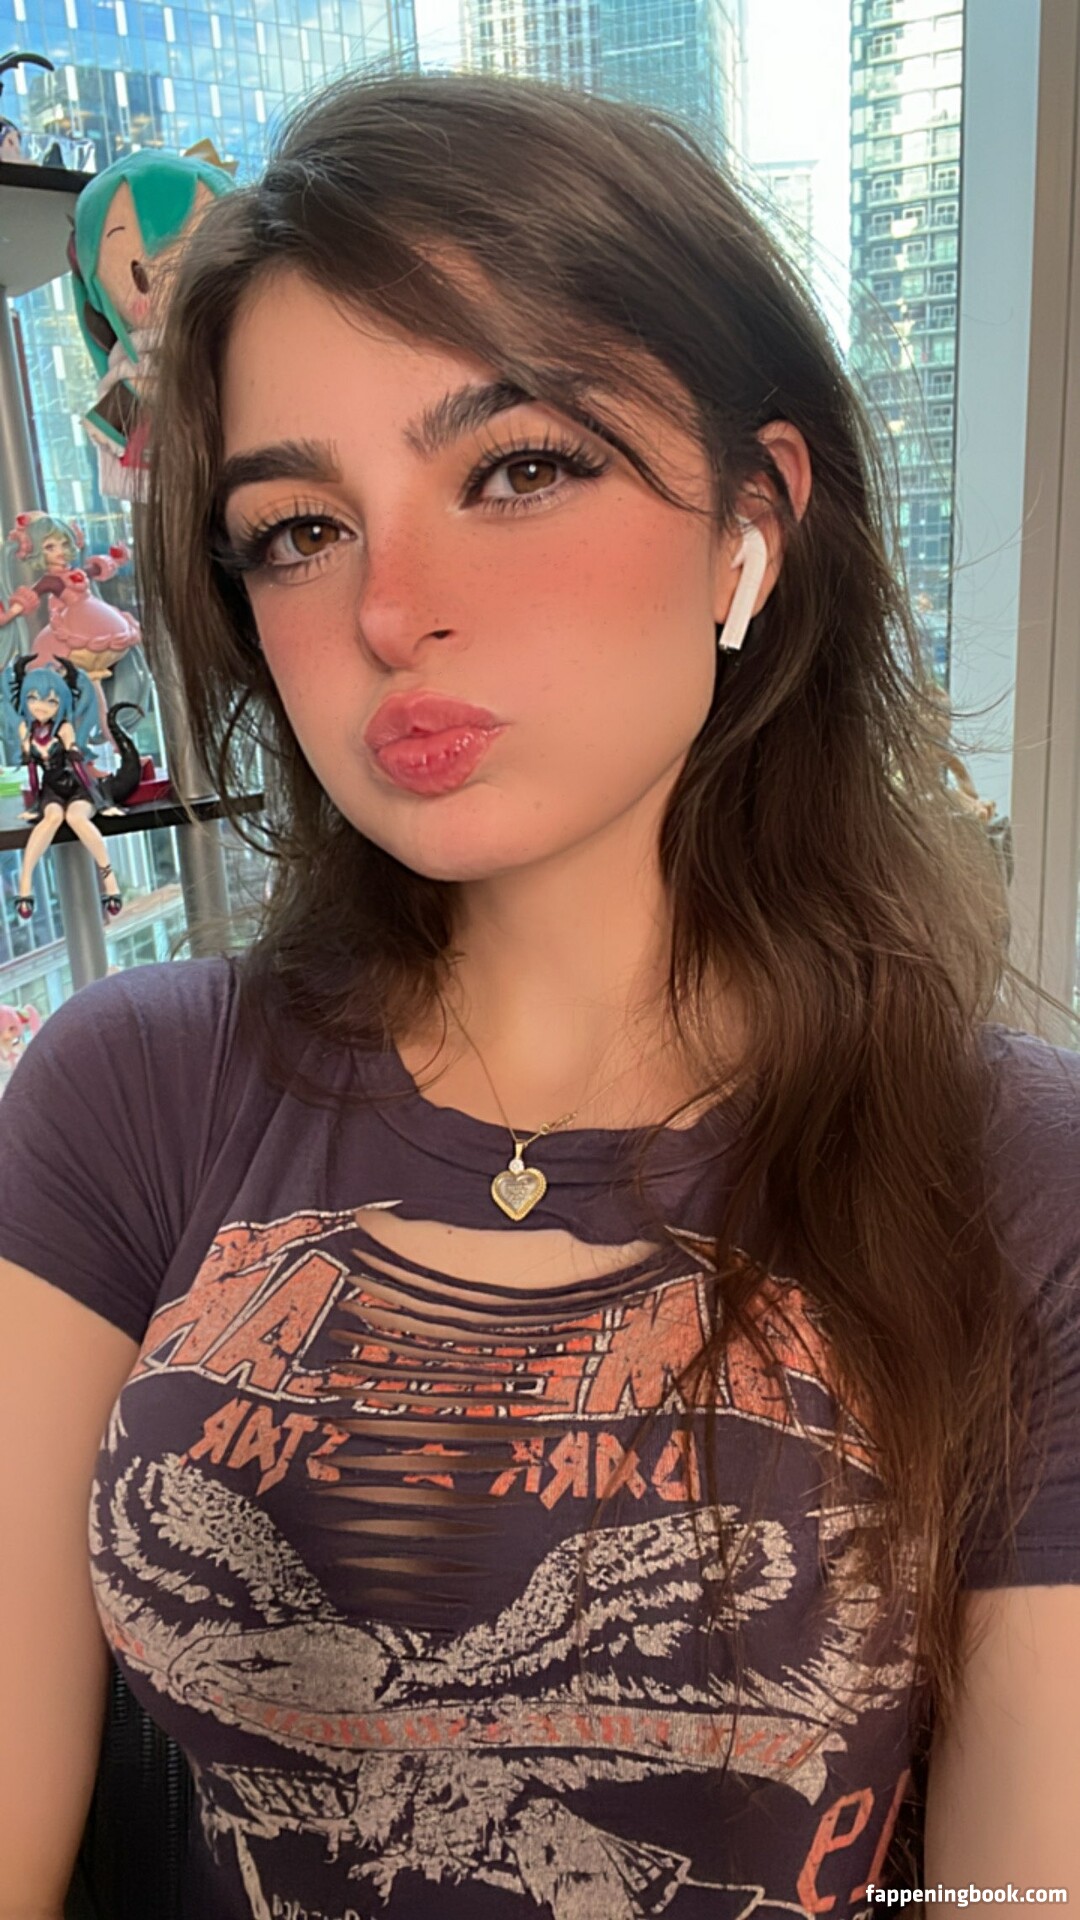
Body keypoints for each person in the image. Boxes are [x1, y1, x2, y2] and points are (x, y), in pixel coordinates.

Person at [1, 70, 1078, 1920]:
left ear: (752, 517)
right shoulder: (133, 1091)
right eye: (299, 528)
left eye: (516, 469)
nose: (390, 611)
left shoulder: (1015, 1176)